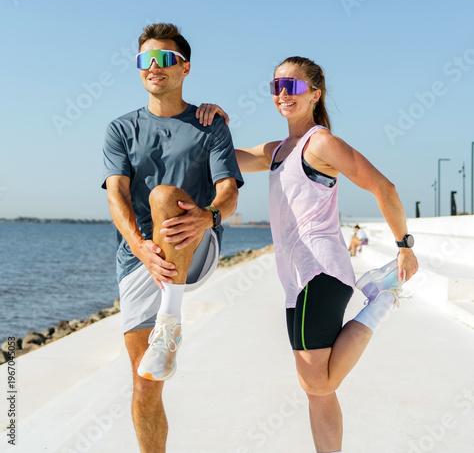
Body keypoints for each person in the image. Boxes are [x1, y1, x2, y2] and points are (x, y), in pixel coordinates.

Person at [197, 56, 418, 453]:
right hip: (295, 279)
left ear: (315, 94)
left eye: (294, 86)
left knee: (318, 381)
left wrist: (404, 246)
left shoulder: (321, 143)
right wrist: (216, 123)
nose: (284, 93)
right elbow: (226, 157)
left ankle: (381, 301)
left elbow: (384, 187)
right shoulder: (279, 150)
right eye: (277, 86)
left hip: (320, 270)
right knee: (316, 391)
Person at [102, 23, 243, 453]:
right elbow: (117, 198)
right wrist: (142, 249)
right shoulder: (120, 129)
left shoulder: (209, 124)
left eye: (165, 59)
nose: (154, 67)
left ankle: (171, 318)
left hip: (196, 244)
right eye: (146, 59)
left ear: (184, 68)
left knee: (163, 196)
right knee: (145, 384)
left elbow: (229, 192)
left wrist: (209, 216)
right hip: (141, 259)